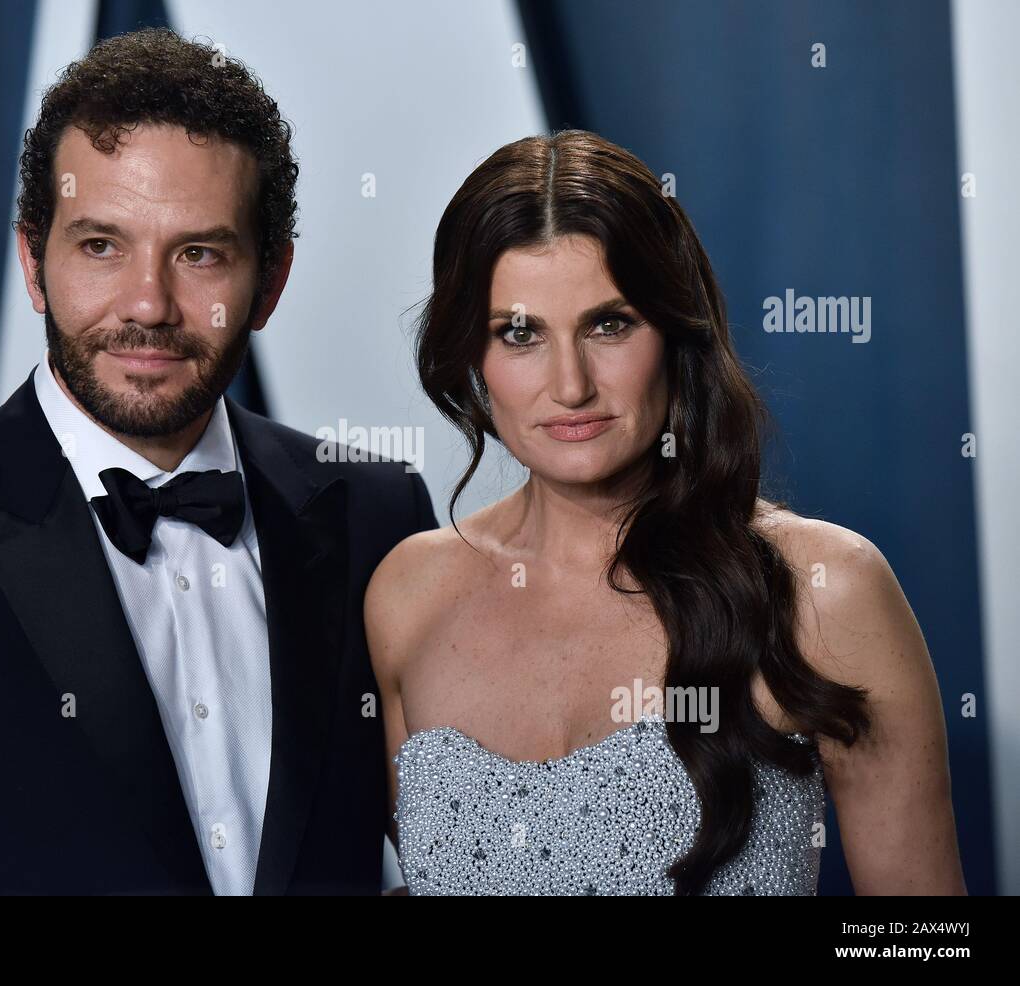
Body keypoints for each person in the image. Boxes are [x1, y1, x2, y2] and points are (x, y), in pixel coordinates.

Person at [0, 27, 436, 895]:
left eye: (200, 253)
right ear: (34, 261)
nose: (149, 304)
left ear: (272, 279)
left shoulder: (379, 513)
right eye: (102, 245)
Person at [365, 130, 966, 895]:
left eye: (609, 324)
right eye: (520, 334)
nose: (571, 384)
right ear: (470, 357)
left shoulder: (824, 588)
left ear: (676, 333)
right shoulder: (408, 596)